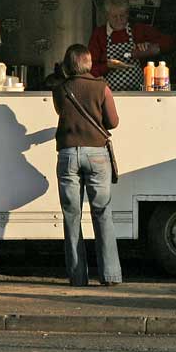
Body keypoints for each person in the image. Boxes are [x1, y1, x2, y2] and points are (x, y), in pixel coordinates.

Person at [52, 44, 122, 286]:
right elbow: (112, 122)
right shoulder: (102, 87)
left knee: (72, 216)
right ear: (89, 63)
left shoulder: (60, 89)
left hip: (69, 155)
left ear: (67, 65)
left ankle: (77, 277)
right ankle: (110, 275)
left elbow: (61, 111)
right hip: (97, 156)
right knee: (102, 213)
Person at [88, 0, 174, 91]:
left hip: (138, 93)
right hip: (110, 96)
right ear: (107, 15)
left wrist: (150, 46)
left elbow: (169, 42)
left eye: (122, 16)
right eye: (114, 16)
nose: (119, 20)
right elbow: (89, 70)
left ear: (128, 13)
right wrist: (106, 66)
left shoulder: (138, 30)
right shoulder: (99, 35)